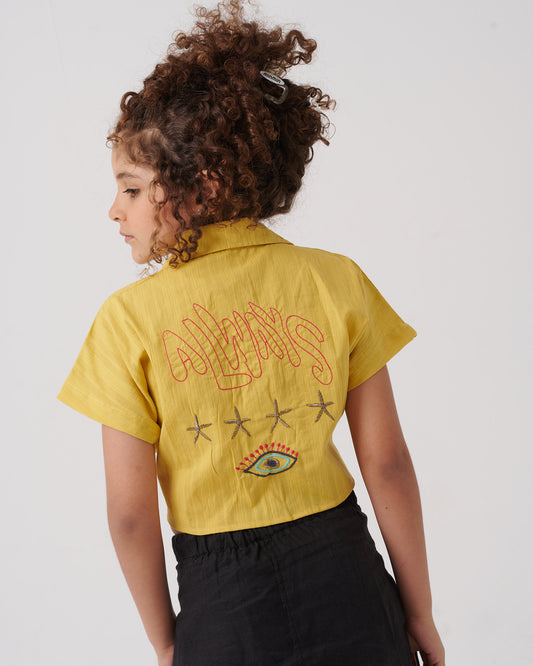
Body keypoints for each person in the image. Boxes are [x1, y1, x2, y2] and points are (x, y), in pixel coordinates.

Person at [58, 1, 445, 664]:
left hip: (222, 604)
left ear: (202, 187)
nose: (114, 210)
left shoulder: (128, 321)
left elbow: (128, 514)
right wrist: (419, 613)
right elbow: (386, 464)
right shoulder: (334, 280)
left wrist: (167, 642)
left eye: (131, 188)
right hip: (349, 581)